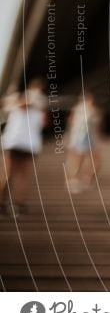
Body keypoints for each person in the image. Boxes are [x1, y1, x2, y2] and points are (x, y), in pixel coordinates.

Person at [0, 79, 47, 217]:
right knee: (20, 176)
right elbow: (44, 122)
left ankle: (4, 203)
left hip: (15, 143)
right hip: (29, 144)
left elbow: (9, 105)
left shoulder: (17, 99)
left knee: (9, 174)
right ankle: (19, 204)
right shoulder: (41, 102)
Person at [65, 92, 103, 194]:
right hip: (79, 138)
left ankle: (86, 178)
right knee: (76, 159)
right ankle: (73, 181)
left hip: (91, 139)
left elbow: (97, 127)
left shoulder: (94, 110)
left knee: (95, 161)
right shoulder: (78, 110)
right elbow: (72, 125)